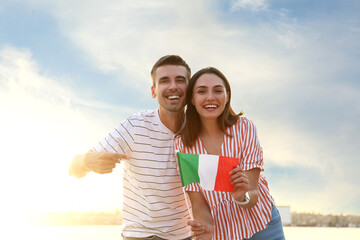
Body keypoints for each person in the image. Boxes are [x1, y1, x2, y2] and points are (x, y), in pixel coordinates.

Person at [69, 55, 211, 240]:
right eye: (164, 80)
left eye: (180, 80)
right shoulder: (135, 126)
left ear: (190, 89)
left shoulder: (201, 130)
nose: (173, 86)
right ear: (154, 91)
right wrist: (86, 161)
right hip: (141, 235)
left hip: (185, 236)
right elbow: (73, 169)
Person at [174, 67, 285, 240]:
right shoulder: (182, 145)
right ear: (192, 99)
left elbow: (252, 193)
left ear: (226, 97)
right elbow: (198, 203)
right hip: (222, 232)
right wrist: (205, 229)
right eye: (202, 91)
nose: (210, 97)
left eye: (218, 90)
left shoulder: (244, 128)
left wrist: (243, 196)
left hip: (263, 226)